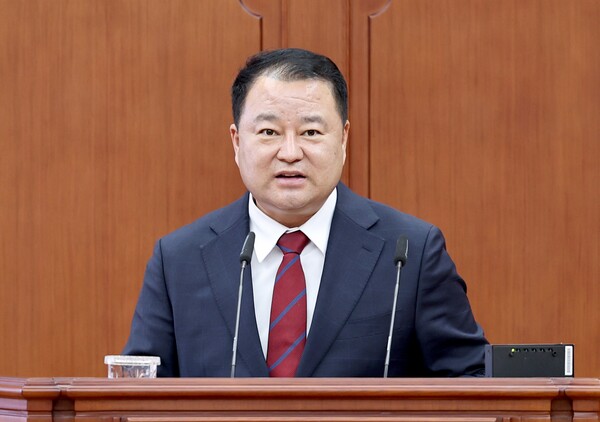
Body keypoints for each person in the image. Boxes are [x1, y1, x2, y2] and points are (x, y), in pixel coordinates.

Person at [123, 48, 488, 377]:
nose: (290, 152)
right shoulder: (179, 260)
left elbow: (472, 383)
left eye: (311, 132)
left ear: (343, 139)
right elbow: (138, 397)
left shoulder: (410, 253)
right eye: (269, 132)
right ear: (237, 141)